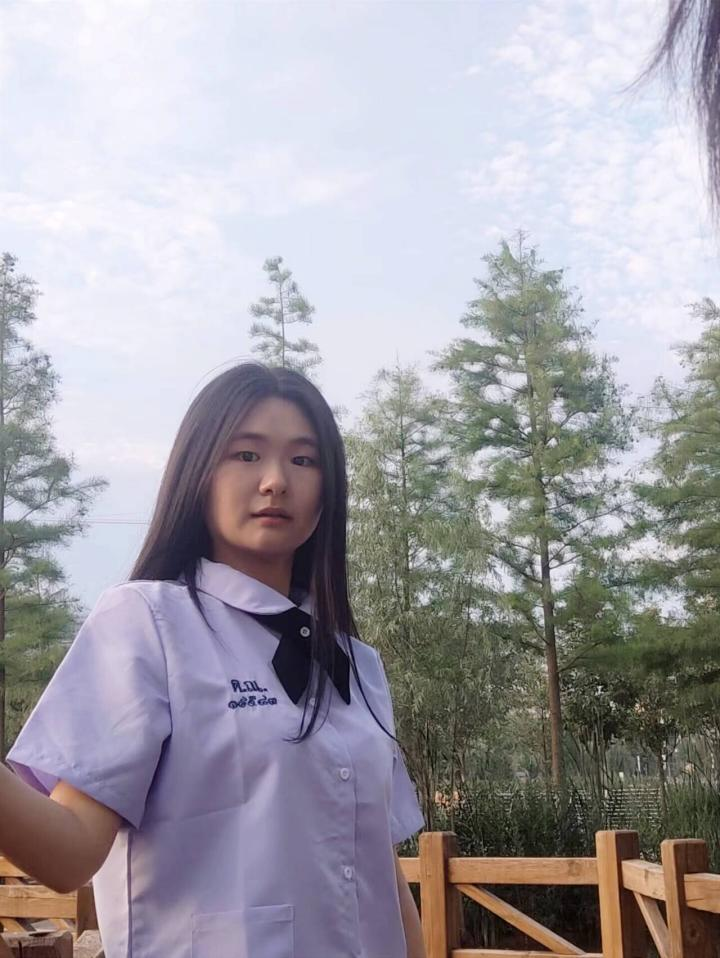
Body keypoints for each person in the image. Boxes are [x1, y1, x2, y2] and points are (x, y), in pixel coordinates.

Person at [0, 363, 427, 958]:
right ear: (197, 473)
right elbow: (67, 853)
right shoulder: (147, 624)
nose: (276, 481)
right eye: (246, 455)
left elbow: (378, 872)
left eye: (304, 460)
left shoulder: (358, 664)